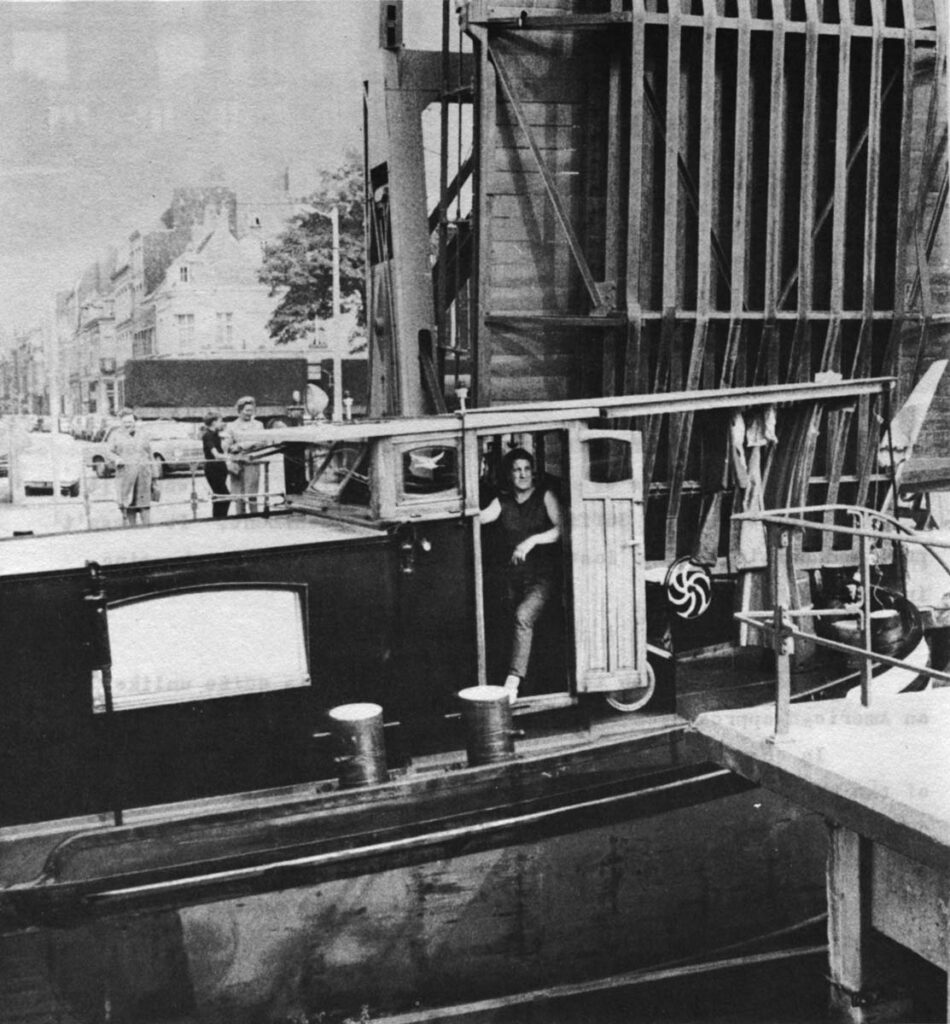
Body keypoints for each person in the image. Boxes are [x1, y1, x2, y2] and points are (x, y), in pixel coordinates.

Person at [479, 448, 562, 702]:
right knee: (504, 621)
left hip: (543, 578)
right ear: (509, 474)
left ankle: (512, 683)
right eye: (517, 469)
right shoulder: (502, 501)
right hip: (513, 578)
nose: (522, 474)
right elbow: (479, 518)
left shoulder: (544, 497)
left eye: (526, 469)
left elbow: (562, 528)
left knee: (523, 616)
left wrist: (531, 541)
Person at [108, 407, 155, 527]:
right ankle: (132, 529)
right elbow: (109, 452)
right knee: (129, 504)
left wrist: (154, 474)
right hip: (126, 475)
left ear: (134, 421)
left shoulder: (143, 434)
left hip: (143, 475)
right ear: (121, 423)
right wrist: (117, 459)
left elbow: (150, 454)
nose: (128, 425)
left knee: (144, 504)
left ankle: (147, 529)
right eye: (125, 422)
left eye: (130, 422)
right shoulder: (115, 435)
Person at [224, 396, 264, 514]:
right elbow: (226, 445)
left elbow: (262, 441)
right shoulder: (231, 426)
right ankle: (240, 516)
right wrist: (228, 446)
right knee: (238, 494)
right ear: (240, 410)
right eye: (246, 410)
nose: (249, 414)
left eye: (251, 411)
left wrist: (242, 446)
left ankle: (254, 515)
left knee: (252, 493)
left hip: (252, 462)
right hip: (236, 463)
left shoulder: (258, 425)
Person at [201, 411, 230, 519]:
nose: (222, 423)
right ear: (213, 422)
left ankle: (219, 518)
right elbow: (216, 455)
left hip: (220, 469)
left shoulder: (216, 435)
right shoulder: (208, 436)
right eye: (220, 421)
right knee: (223, 496)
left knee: (220, 496)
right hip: (213, 470)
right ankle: (219, 518)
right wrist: (229, 457)